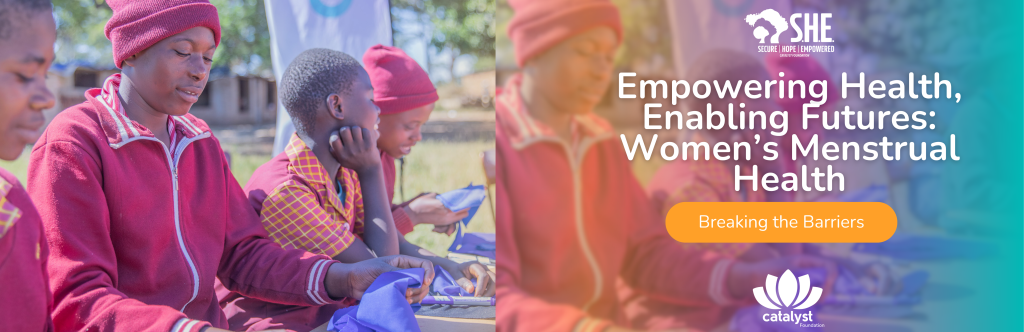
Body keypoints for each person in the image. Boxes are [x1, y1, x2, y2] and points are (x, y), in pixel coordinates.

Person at [28, 2, 433, 331]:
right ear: (132, 50)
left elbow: (243, 255)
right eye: (183, 52)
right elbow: (76, 297)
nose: (200, 70)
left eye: (207, 57)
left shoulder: (199, 142)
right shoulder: (76, 143)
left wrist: (344, 277)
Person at [495, 1, 835, 331]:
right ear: (536, 51)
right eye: (586, 52)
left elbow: (645, 256)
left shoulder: (600, 142)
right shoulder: (503, 142)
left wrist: (743, 277)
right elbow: (502, 299)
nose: (603, 69)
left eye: (609, 56)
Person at [223, 48, 494, 331]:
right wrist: (372, 170)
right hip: (282, 321)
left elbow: (392, 244)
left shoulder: (343, 169)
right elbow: (383, 270)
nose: (378, 110)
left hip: (329, 312)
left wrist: (445, 265)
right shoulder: (286, 192)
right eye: (371, 100)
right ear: (337, 107)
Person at [362, 44, 468, 236]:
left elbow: (376, 216)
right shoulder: (352, 163)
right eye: (410, 126)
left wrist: (420, 207)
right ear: (375, 114)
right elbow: (357, 245)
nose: (418, 136)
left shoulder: (384, 156)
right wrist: (413, 214)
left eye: (422, 126)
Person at [0, 0, 56, 330]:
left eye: (46, 74)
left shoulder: (12, 203)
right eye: (25, 75)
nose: (47, 97)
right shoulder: (8, 210)